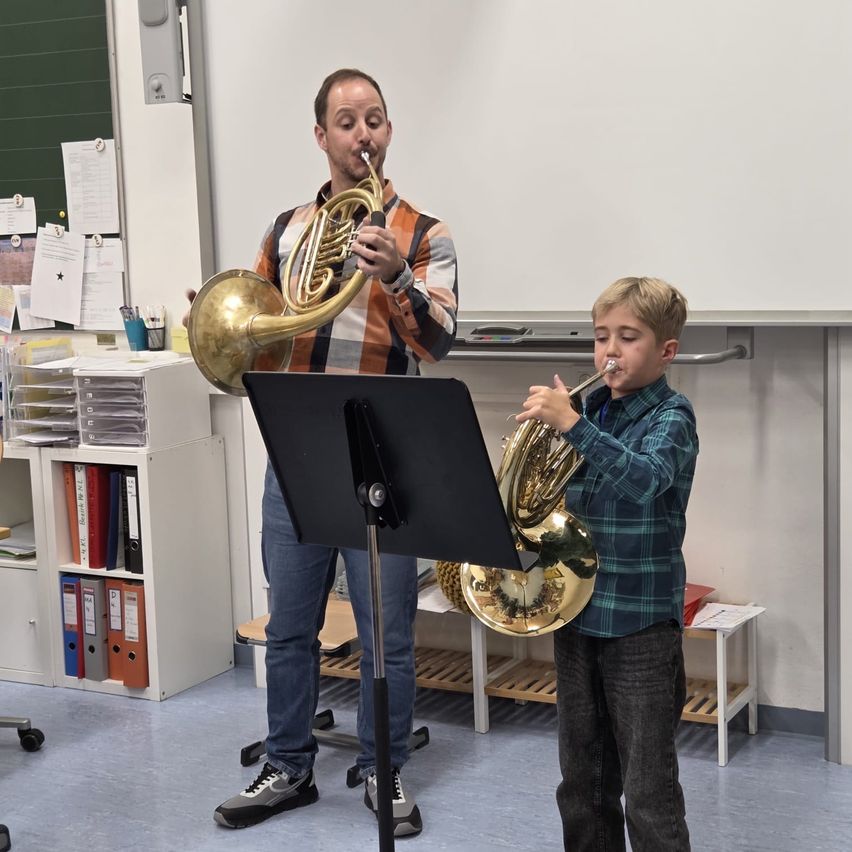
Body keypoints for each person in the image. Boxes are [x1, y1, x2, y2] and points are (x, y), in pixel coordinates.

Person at [206, 69, 458, 835]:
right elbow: (257, 323)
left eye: (374, 119)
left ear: (390, 131)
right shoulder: (287, 231)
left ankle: (384, 769)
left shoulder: (425, 234)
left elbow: (440, 341)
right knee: (289, 626)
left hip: (384, 455)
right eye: (347, 122)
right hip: (299, 450)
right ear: (322, 136)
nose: (363, 134)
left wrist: (399, 278)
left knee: (386, 634)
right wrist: (221, 324)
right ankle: (287, 766)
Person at [516, 277, 697, 852]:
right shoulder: (592, 408)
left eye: (628, 337)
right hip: (577, 613)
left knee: (648, 789)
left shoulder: (672, 415)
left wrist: (574, 426)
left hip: (640, 624)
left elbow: (646, 480)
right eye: (600, 338)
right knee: (582, 781)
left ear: (666, 351)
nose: (610, 352)